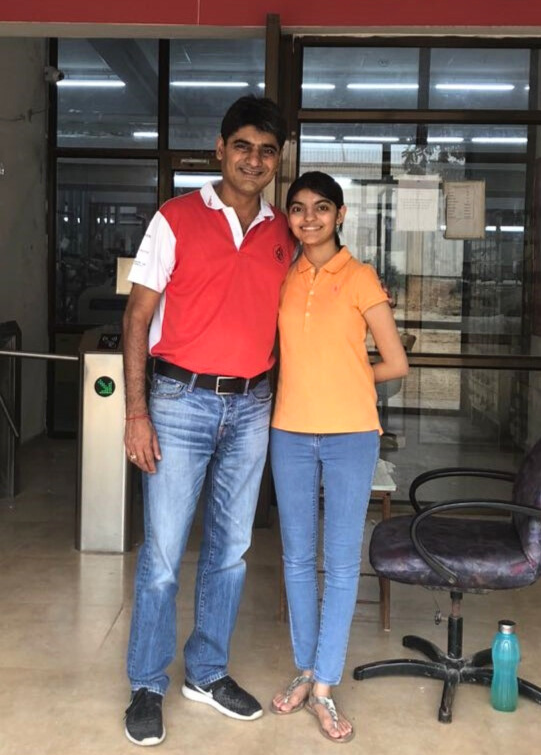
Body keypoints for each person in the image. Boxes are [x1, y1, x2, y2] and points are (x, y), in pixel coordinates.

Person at [122, 96, 295, 746]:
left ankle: (207, 671)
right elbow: (137, 316)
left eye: (267, 149)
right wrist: (136, 411)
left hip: (252, 404)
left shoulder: (283, 231)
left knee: (231, 551)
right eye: (243, 145)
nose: (254, 159)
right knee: (164, 554)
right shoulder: (174, 218)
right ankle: (146, 682)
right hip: (178, 400)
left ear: (277, 160)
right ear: (220, 149)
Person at [269, 171, 408, 743]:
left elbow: (396, 364)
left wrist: (349, 380)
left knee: (342, 560)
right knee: (298, 559)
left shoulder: (361, 277)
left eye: (321, 209)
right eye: (298, 209)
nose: (309, 219)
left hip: (352, 433)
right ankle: (306, 670)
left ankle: (324, 685)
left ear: (341, 215)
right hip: (290, 433)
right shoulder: (283, 276)